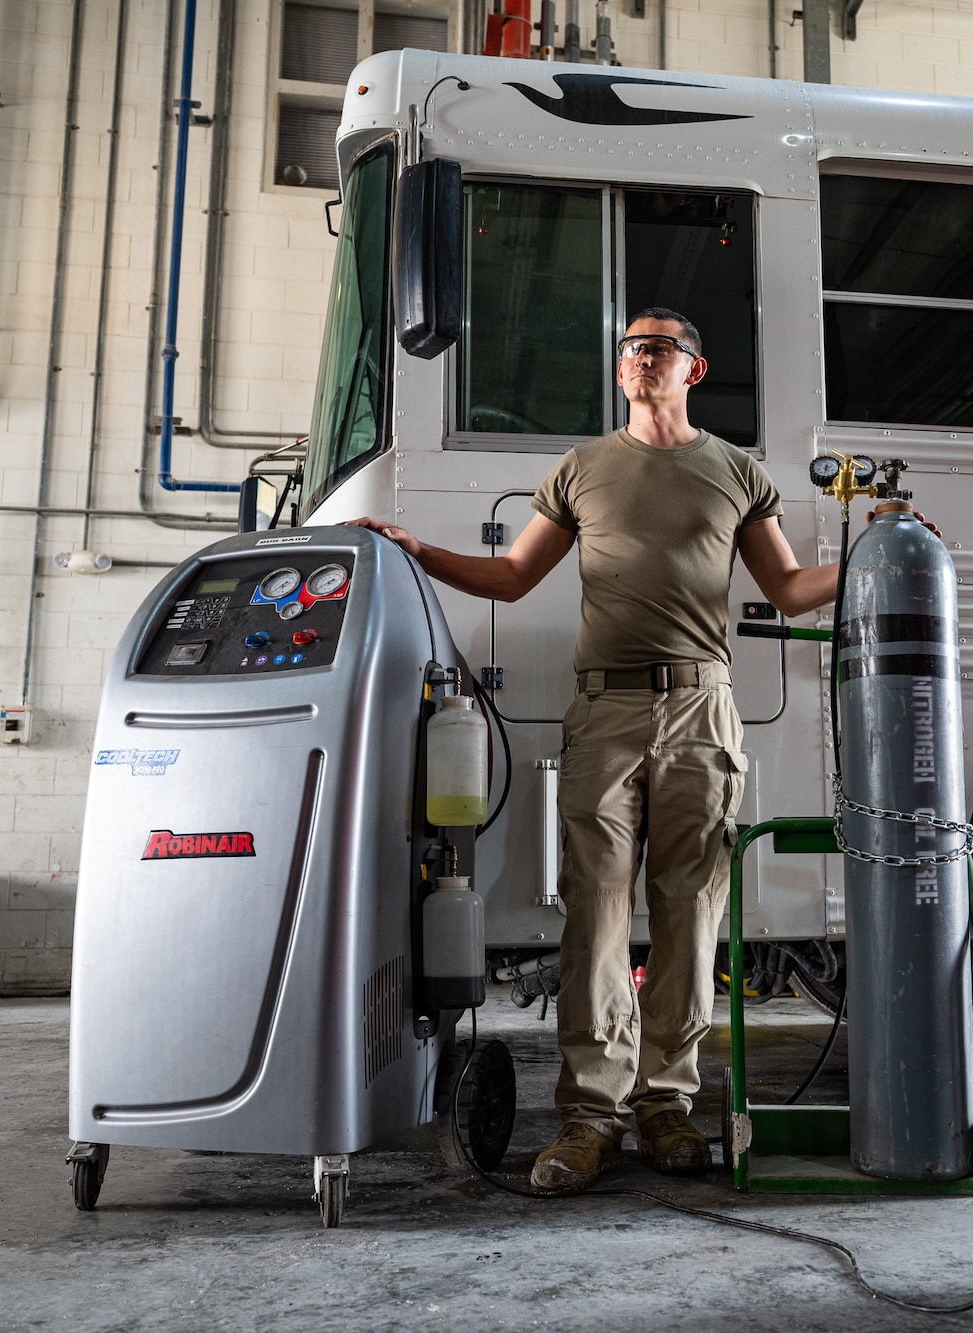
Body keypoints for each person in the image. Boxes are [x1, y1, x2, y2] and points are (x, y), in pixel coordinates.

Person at [345, 308, 846, 1193]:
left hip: (701, 710)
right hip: (603, 716)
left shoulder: (737, 471)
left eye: (657, 347)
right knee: (596, 917)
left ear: (694, 368)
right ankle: (590, 1116)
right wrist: (421, 552)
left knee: (691, 917)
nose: (638, 357)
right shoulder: (582, 469)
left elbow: (791, 589)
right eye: (627, 347)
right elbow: (511, 577)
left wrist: (878, 548)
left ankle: (667, 1106)